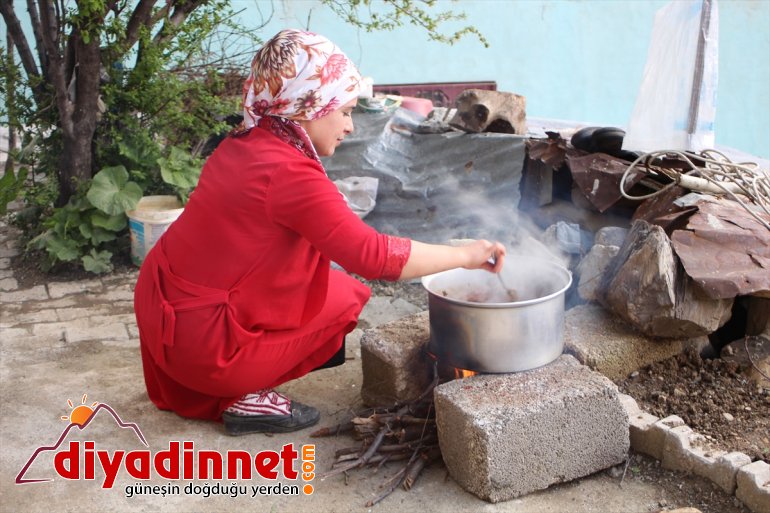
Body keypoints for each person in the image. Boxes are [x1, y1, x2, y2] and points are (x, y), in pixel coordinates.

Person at [133, 28, 506, 436]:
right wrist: (466, 256)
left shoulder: (245, 142)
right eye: (344, 111)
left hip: (161, 309)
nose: (350, 126)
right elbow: (373, 256)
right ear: (308, 105)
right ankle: (242, 395)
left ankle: (228, 368)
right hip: (202, 345)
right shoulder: (289, 173)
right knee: (347, 298)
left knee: (323, 281)